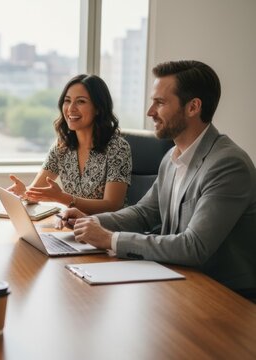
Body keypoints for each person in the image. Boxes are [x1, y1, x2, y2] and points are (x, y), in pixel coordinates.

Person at [60, 60, 256, 294]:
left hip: (222, 294)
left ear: (193, 107)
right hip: (178, 279)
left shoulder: (227, 164)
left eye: (160, 103)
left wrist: (110, 239)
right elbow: (145, 213)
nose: (150, 112)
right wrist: (93, 223)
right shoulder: (172, 157)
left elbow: (194, 246)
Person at [7, 74, 132, 214]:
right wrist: (24, 193)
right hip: (71, 226)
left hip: (107, 229)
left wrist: (63, 198)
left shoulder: (118, 147)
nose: (71, 108)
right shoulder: (62, 146)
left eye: (81, 102)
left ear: (98, 108)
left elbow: (112, 205)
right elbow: (37, 191)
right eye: (67, 101)